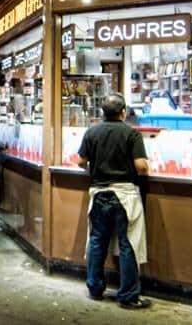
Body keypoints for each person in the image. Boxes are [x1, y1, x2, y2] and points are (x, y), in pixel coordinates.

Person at [77, 94, 151, 309]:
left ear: (103, 112)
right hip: (125, 195)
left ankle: (95, 288)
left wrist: (96, 168)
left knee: (97, 241)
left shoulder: (91, 132)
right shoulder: (132, 134)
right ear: (123, 112)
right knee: (128, 244)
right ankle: (128, 296)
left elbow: (81, 162)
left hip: (99, 194)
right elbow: (141, 167)